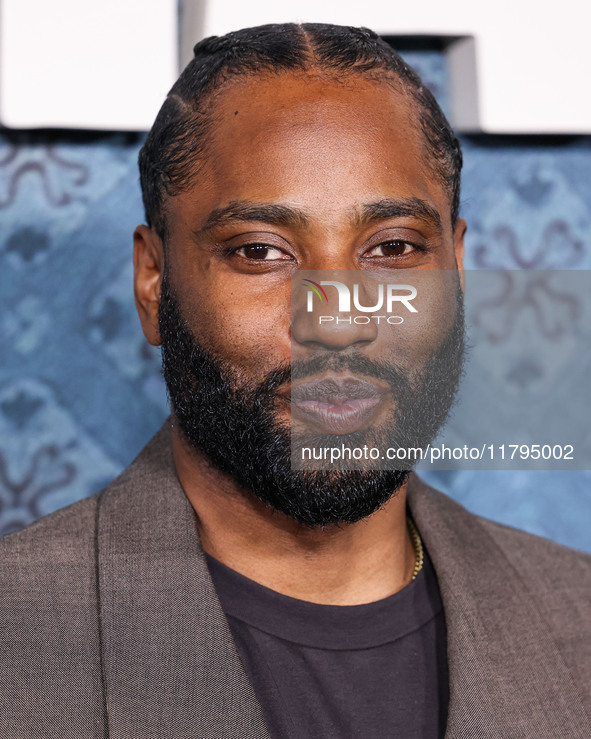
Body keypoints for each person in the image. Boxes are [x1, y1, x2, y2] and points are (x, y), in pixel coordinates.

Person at [0, 23, 589, 739]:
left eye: (394, 248)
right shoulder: (19, 631)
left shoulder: (576, 615)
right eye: (260, 251)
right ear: (152, 280)